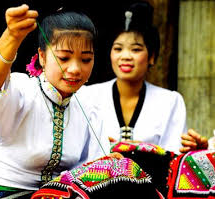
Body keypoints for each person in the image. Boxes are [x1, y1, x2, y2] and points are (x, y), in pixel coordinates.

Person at [0, 4, 111, 198]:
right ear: (43, 57)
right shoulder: (21, 91)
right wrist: (11, 37)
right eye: (64, 58)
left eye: (86, 60)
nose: (75, 69)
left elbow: (97, 166)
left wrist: (110, 165)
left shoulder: (90, 104)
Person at [77, 1, 187, 154]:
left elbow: (174, 156)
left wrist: (143, 150)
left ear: (152, 57)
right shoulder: (87, 96)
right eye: (118, 49)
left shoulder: (171, 101)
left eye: (135, 49)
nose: (125, 56)